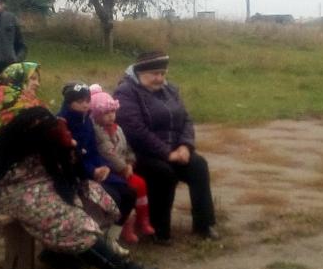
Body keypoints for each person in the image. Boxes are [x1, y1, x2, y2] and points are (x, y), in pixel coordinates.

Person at [0, 107, 157, 269]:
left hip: (42, 184)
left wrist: (70, 150)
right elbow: (4, 182)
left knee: (93, 196)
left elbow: (64, 170)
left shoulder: (47, 138)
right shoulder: (9, 146)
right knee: (69, 220)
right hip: (13, 192)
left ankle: (60, 255)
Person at [113, 50, 218, 244]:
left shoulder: (170, 90)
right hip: (140, 154)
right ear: (139, 72)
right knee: (163, 173)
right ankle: (158, 229)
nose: (160, 78)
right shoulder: (126, 92)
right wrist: (167, 153)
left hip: (175, 150)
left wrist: (185, 146)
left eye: (163, 73)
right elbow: (135, 131)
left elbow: (186, 120)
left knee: (198, 166)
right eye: (154, 74)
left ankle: (204, 224)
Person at [59, 82, 136, 237]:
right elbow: (69, 158)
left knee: (129, 193)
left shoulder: (86, 121)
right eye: (79, 101)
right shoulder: (62, 124)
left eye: (87, 101)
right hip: (75, 175)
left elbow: (93, 150)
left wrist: (103, 167)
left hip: (94, 169)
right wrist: (92, 171)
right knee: (113, 197)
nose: (85, 105)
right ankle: (96, 237)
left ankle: (112, 237)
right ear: (69, 102)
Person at [90, 85, 155, 244]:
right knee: (131, 190)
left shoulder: (118, 129)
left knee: (141, 184)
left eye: (112, 112)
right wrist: (123, 167)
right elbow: (108, 152)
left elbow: (127, 148)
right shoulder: (97, 132)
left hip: (124, 168)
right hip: (111, 171)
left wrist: (130, 162)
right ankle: (127, 227)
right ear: (96, 115)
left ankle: (143, 219)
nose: (111, 116)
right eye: (106, 113)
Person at [0, 61, 43, 147]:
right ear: (18, 78)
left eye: (38, 80)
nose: (38, 84)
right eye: (33, 79)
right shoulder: (21, 105)